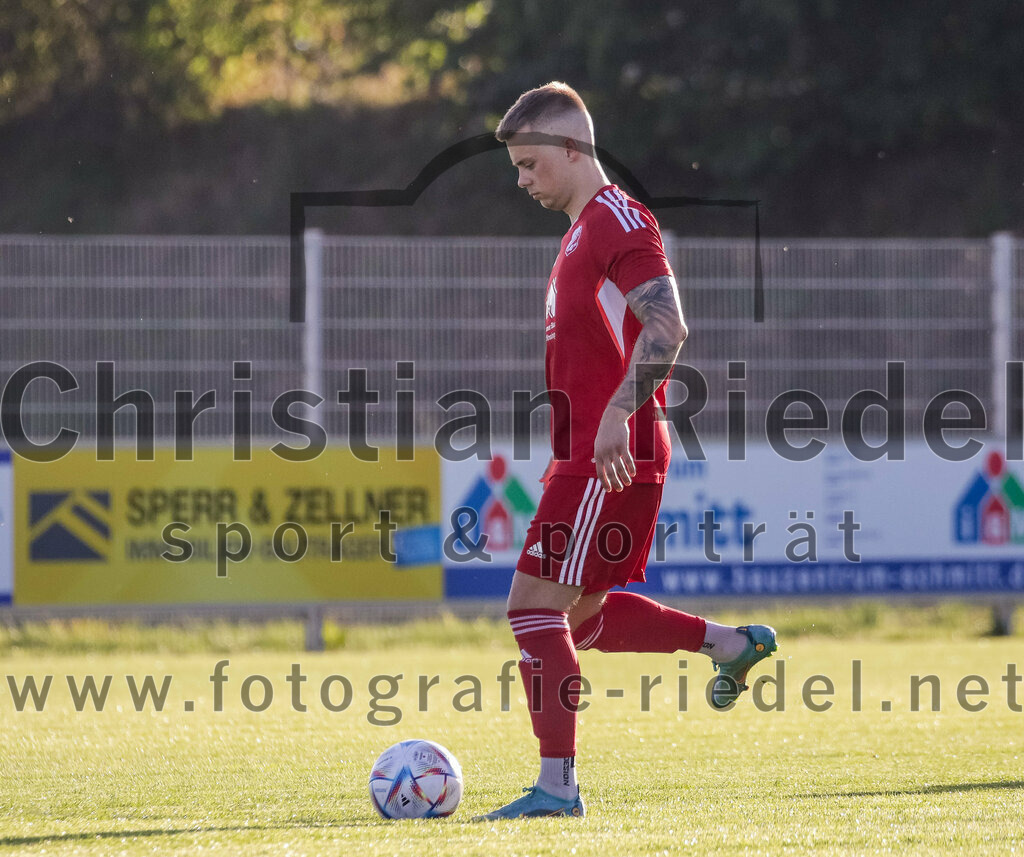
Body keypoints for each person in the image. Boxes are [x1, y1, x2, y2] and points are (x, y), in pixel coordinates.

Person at [471, 82, 777, 822]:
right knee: (579, 620)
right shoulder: (580, 233)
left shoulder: (616, 219)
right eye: (515, 167)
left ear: (574, 149)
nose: (523, 181)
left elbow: (669, 329)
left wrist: (612, 414)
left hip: (609, 452)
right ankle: (731, 644)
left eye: (531, 163)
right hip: (599, 449)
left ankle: (557, 788)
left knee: (533, 610)